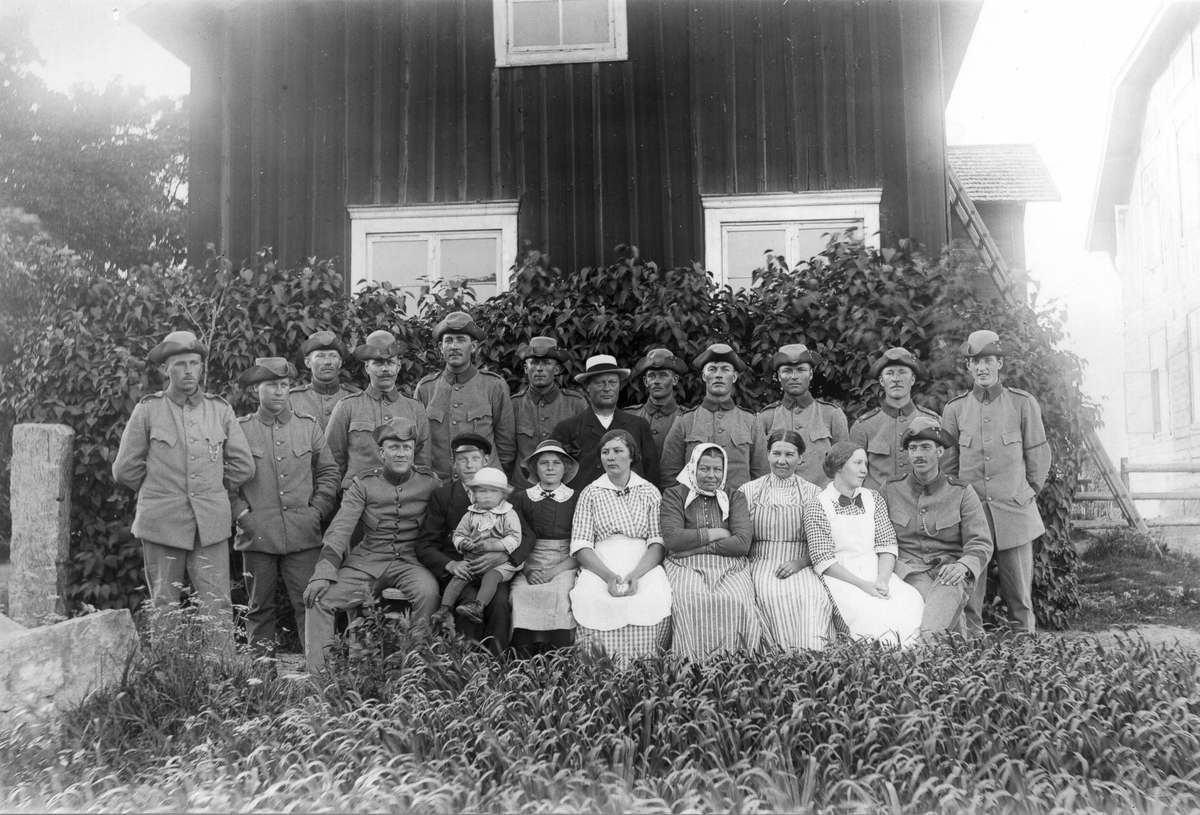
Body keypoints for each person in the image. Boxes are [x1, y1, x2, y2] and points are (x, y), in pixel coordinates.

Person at [112, 330, 254, 642]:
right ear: (166, 370)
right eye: (180, 364)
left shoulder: (219, 410)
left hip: (210, 522)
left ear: (201, 366)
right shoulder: (148, 410)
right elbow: (124, 468)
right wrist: (159, 490)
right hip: (162, 521)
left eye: (194, 363)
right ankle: (167, 668)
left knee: (217, 602)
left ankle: (223, 668)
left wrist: (212, 488)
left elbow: (243, 464)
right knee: (164, 603)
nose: (189, 371)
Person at [302, 420, 441, 672]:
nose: (401, 454)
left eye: (407, 448)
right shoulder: (364, 484)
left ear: (414, 451)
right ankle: (319, 677)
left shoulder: (429, 481)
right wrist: (323, 572)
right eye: (394, 447)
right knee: (319, 599)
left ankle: (416, 670)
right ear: (381, 452)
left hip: (411, 562)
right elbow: (340, 528)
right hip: (367, 562)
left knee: (429, 593)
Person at [941, 330, 1051, 634]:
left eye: (988, 360)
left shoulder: (1022, 404)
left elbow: (1038, 455)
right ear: (968, 366)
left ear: (1000, 363)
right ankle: (973, 650)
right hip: (972, 518)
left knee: (1021, 598)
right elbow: (948, 466)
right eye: (975, 362)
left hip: (1015, 513)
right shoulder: (955, 409)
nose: (982, 368)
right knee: (970, 597)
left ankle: (1026, 651)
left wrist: (1025, 493)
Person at [231, 357, 339, 654]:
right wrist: (242, 515)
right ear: (256, 389)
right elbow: (225, 479)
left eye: (284, 385)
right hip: (257, 534)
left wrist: (317, 511)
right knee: (259, 608)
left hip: (303, 533)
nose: (279, 391)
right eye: (271, 385)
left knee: (311, 603)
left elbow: (329, 472)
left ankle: (319, 673)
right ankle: (261, 676)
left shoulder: (307, 426)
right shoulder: (240, 430)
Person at [415, 432, 531, 654]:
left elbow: (526, 536)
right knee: (466, 601)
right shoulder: (443, 496)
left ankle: (495, 662)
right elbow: (425, 544)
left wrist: (504, 555)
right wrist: (451, 565)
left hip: (496, 571)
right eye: (462, 459)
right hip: (461, 570)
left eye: (475, 458)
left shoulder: (502, 495)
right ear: (453, 463)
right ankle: (465, 664)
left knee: (499, 602)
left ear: (486, 460)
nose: (469, 465)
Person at [879, 416, 994, 636]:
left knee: (948, 589)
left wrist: (962, 566)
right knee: (939, 607)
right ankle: (943, 649)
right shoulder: (891, 490)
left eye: (925, 447)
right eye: (913, 448)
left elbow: (980, 542)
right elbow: (877, 538)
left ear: (940, 451)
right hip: (909, 571)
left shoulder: (961, 492)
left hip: (950, 570)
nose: (918, 454)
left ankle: (931, 648)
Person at [804, 441, 924, 646]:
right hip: (841, 576)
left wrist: (882, 580)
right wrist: (863, 586)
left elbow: (887, 544)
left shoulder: (873, 498)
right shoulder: (818, 504)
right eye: (857, 463)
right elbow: (823, 559)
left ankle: (912, 657)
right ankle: (883, 659)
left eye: (865, 464)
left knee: (910, 600)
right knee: (870, 613)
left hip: (876, 570)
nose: (864, 470)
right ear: (839, 467)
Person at [570, 429, 672, 660]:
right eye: (605, 452)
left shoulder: (649, 491)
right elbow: (581, 544)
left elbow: (657, 542)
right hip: (601, 561)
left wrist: (635, 574)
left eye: (618, 451)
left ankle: (645, 666)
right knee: (591, 596)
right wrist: (608, 577)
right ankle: (600, 667)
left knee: (652, 595)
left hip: (643, 561)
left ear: (631, 455)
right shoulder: (590, 493)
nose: (611, 457)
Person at [659, 443, 760, 660]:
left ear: (724, 471)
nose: (711, 475)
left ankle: (736, 663)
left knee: (736, 599)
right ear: (693, 468)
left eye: (717, 469)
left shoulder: (734, 497)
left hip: (730, 564)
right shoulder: (675, 495)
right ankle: (691, 664)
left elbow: (742, 544)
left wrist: (696, 547)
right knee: (689, 600)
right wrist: (718, 532)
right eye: (704, 469)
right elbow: (673, 538)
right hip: (683, 564)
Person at [739, 430, 833, 651]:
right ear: (768, 455)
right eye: (776, 454)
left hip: (803, 561)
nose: (782, 461)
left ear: (800, 458)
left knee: (814, 596)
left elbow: (824, 542)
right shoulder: (749, 491)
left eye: (789, 455)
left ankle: (811, 656)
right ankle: (779, 656)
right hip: (760, 560)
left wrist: (800, 563)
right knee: (771, 595)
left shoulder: (813, 493)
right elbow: (741, 537)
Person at [413, 311, 516, 482]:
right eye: (448, 341)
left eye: (461, 340)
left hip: (483, 484)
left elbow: (506, 444)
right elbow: (419, 443)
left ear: (473, 346)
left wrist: (492, 479)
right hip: (440, 485)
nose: (454, 346)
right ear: (441, 348)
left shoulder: (493, 385)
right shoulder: (426, 388)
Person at [326, 329, 431, 487]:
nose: (385, 369)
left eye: (390, 363)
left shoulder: (415, 408)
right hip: (358, 497)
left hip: (405, 496)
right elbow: (332, 460)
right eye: (378, 363)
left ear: (398, 366)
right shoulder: (347, 406)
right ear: (367, 367)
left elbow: (423, 461)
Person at [661, 343, 767, 491]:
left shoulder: (751, 421)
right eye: (712, 369)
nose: (718, 375)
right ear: (704, 376)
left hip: (739, 503)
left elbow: (761, 475)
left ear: (734, 377)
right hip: (694, 504)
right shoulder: (685, 421)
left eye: (725, 369)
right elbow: (669, 475)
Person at [510, 440, 581, 654]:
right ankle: (522, 661)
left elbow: (581, 543)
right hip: (528, 561)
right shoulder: (521, 498)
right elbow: (514, 538)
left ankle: (560, 659)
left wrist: (553, 572)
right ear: (535, 468)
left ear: (565, 468)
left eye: (556, 463)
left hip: (565, 562)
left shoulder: (576, 498)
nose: (550, 468)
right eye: (544, 463)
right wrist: (527, 570)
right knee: (519, 593)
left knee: (561, 594)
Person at [550, 354, 660, 490]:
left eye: (612, 382)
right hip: (583, 502)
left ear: (619, 386)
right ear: (588, 387)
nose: (607, 388)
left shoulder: (639, 425)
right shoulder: (567, 428)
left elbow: (652, 474)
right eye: (600, 383)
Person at [436, 467, 522, 624]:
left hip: (500, 564)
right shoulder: (470, 514)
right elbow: (459, 534)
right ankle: (445, 609)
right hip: (474, 559)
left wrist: (494, 546)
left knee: (491, 576)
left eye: (493, 491)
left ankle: (478, 606)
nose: (487, 495)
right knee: (460, 576)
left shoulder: (508, 514)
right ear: (474, 494)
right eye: (482, 491)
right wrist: (463, 543)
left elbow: (515, 537)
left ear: (503, 494)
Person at [755, 343, 848, 487]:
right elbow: (759, 466)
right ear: (779, 376)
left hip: (821, 496)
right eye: (787, 371)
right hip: (778, 497)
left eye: (801, 370)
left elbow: (844, 466)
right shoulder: (766, 417)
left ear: (810, 374)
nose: (794, 376)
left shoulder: (831, 414)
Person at [849, 347, 940, 489]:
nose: (896, 379)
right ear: (881, 381)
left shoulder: (933, 422)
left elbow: (944, 471)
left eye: (902, 372)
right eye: (889, 373)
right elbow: (853, 477)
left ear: (913, 379)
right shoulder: (864, 426)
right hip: (878, 501)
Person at [510, 336, 587, 488]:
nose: (539, 368)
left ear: (556, 369)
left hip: (566, 490)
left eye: (546, 363)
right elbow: (506, 450)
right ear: (526, 369)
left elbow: (586, 449)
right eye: (534, 363)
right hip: (523, 489)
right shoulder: (514, 405)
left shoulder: (575, 403)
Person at [288, 330, 359, 431]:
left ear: (340, 363)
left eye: (333, 356)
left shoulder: (357, 398)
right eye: (320, 356)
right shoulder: (291, 399)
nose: (327, 362)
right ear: (308, 363)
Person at [626, 348, 688, 462]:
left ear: (674, 380)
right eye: (651, 376)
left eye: (663, 375)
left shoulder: (688, 418)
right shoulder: (629, 416)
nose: (656, 381)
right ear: (645, 381)